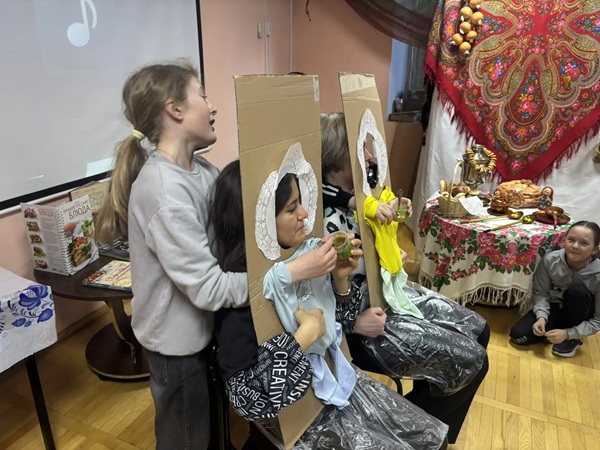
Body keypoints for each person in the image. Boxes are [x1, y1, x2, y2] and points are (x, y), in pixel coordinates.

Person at [209, 160, 449, 450]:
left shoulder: (301, 256)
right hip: (298, 422)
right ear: (259, 222)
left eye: (300, 202)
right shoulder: (241, 300)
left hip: (333, 383)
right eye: (291, 208)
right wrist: (302, 339)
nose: (304, 213)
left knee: (431, 439)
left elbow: (342, 323)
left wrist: (340, 279)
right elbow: (245, 399)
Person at [94, 59, 251, 450]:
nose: (213, 106)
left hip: (203, 332)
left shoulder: (203, 171)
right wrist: (281, 280)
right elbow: (209, 289)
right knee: (186, 439)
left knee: (211, 428)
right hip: (177, 348)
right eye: (203, 95)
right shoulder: (164, 191)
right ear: (174, 109)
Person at [320, 111, 489, 444]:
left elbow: (375, 243)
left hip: (384, 292)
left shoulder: (364, 192)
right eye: (361, 149)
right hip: (360, 322)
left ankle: (424, 422)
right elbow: (314, 295)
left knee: (479, 330)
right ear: (338, 155)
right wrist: (352, 324)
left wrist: (393, 235)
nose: (370, 156)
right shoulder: (326, 219)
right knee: (472, 361)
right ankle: (420, 434)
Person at [509, 220, 600, 357]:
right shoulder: (550, 260)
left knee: (577, 292)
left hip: (580, 312)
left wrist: (569, 333)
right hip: (554, 307)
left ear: (595, 250)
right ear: (564, 241)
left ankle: (572, 338)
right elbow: (541, 292)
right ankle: (554, 331)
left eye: (584, 243)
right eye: (571, 240)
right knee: (518, 335)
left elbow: (598, 320)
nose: (575, 246)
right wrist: (541, 317)